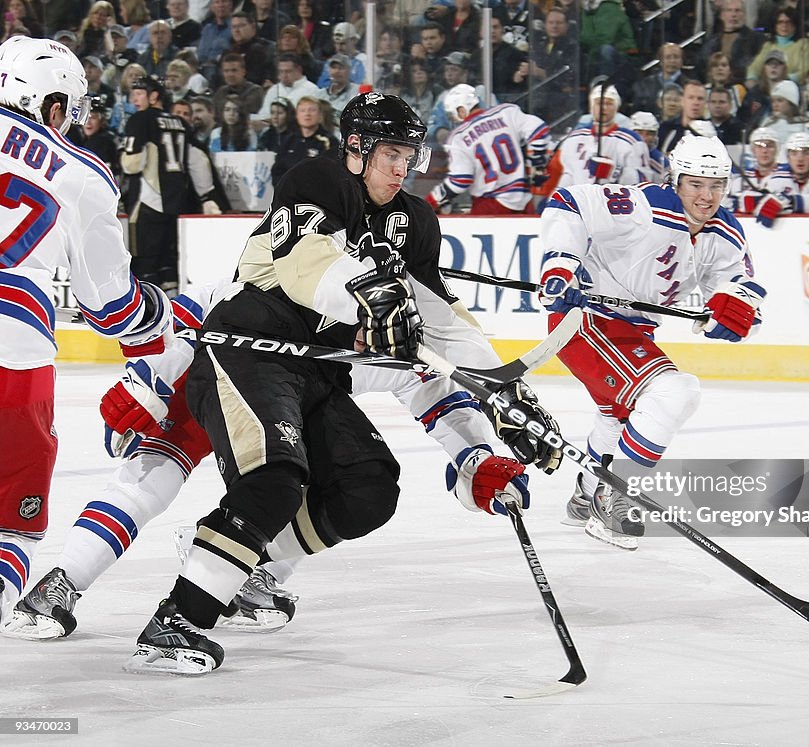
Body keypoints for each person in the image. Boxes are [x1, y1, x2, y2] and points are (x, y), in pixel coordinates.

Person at [123, 93, 561, 674]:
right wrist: (366, 291)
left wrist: (504, 393)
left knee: (368, 488)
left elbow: (445, 325)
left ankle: (238, 557)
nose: (402, 168)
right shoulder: (317, 180)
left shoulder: (415, 221)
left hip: (317, 370)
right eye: (390, 154)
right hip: (249, 349)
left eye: (410, 154)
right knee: (276, 478)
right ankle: (176, 621)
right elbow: (305, 264)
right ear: (355, 149)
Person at [2, 279, 548, 639]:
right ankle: (61, 583)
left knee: (336, 480)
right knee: (154, 479)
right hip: (220, 366)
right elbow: (211, 300)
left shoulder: (417, 328)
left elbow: (433, 391)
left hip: (293, 389)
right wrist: (146, 380)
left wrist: (475, 457)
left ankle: (240, 569)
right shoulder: (325, 266)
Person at [0, 36, 172, 622]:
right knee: (11, 527)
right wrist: (156, 318)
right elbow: (113, 312)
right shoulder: (82, 174)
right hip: (14, 359)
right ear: (53, 105)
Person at [538, 135, 765, 550]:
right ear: (676, 180)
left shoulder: (725, 231)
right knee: (676, 392)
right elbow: (569, 203)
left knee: (620, 418)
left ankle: (586, 495)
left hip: (632, 330)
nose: (706, 195)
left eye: (716, 185)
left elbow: (740, 284)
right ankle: (616, 497)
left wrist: (736, 311)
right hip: (585, 319)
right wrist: (561, 265)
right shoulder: (643, 207)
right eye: (696, 184)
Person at [122, 77, 222, 295]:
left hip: (148, 204)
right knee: (169, 266)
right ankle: (173, 313)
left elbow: (132, 164)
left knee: (145, 265)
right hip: (176, 205)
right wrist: (207, 197)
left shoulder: (140, 120)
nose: (134, 99)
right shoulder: (181, 123)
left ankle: (148, 317)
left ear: (154, 95)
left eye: (139, 94)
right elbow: (198, 161)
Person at [426, 85, 550, 215]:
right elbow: (538, 129)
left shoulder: (459, 136)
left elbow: (460, 180)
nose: (454, 119)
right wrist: (537, 165)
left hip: (490, 204)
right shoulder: (507, 112)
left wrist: (432, 200)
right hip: (523, 200)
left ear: (462, 110)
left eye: (453, 114)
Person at [547, 83, 647, 191]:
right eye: (599, 103)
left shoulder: (632, 141)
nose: (603, 108)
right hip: (580, 202)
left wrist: (616, 172)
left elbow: (644, 180)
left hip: (614, 203)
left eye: (609, 103)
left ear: (616, 108)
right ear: (591, 106)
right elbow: (567, 174)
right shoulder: (574, 138)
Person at [753, 132, 809, 228]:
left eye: (806, 153)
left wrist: (792, 201)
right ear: (788, 157)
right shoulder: (778, 175)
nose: (800, 159)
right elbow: (763, 202)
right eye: (794, 153)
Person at [730, 126, 780, 213]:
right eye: (759, 146)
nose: (764, 151)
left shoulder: (786, 177)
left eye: (769, 146)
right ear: (752, 150)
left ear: (777, 149)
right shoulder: (740, 180)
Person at [629, 110, 670, 183]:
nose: (643, 138)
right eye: (639, 132)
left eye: (649, 134)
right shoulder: (620, 151)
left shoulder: (660, 160)